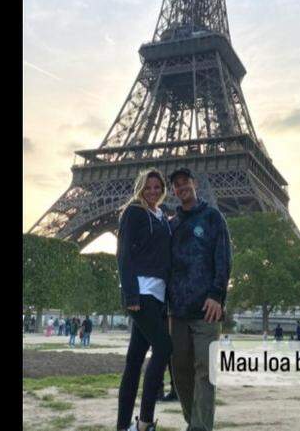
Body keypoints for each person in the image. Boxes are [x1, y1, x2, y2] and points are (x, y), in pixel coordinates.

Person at [167, 167, 232, 431]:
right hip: (178, 311)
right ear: (174, 191)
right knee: (180, 372)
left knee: (205, 371)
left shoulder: (212, 217)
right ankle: (194, 422)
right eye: (177, 184)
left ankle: (199, 428)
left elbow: (223, 257)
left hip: (207, 310)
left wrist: (217, 295)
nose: (182, 187)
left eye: (185, 182)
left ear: (194, 183)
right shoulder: (171, 224)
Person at [116, 169, 175, 431]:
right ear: (141, 188)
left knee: (134, 361)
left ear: (163, 189)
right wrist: (130, 293)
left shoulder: (162, 216)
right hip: (140, 292)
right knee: (164, 347)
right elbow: (123, 253)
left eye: (157, 187)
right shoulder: (134, 212)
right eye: (148, 187)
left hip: (158, 294)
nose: (152, 191)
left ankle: (122, 426)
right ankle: (145, 422)